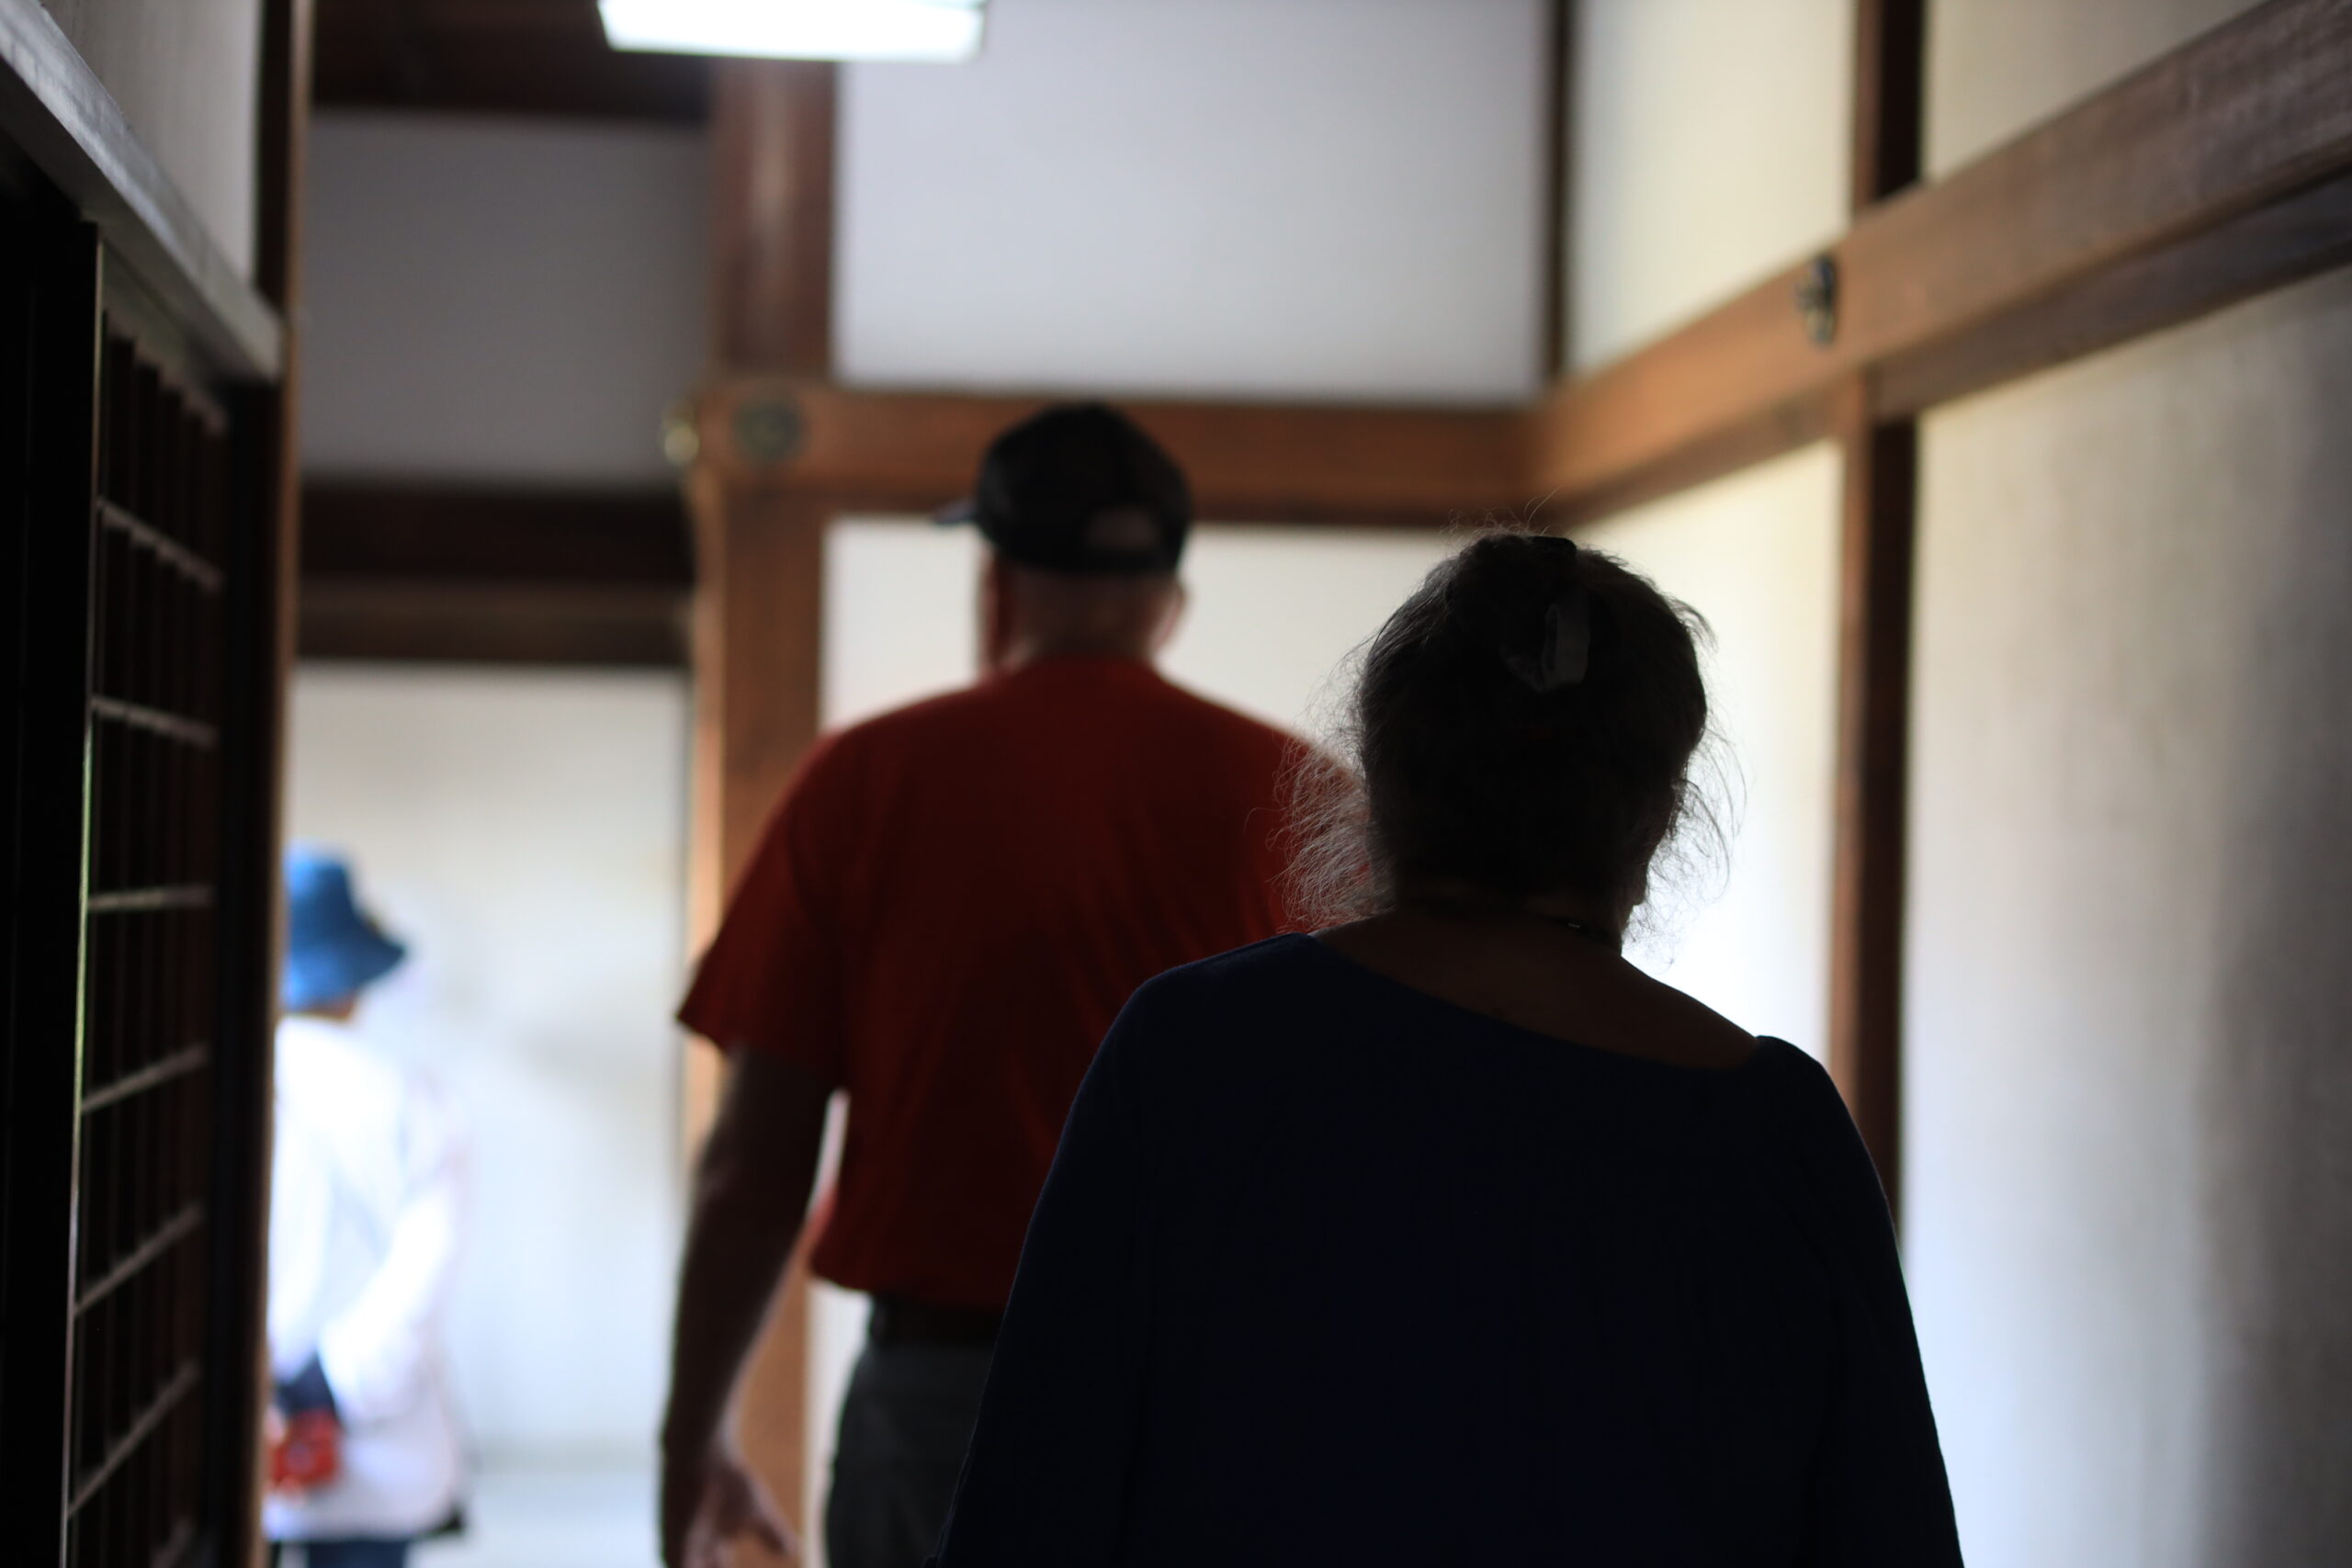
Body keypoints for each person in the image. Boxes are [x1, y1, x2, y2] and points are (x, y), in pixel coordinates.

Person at [930, 532, 1965, 1564]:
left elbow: (1032, 1501)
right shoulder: (1774, 1130)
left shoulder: (1197, 1050)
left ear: (1382, 784)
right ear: (1656, 814)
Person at [662, 402, 1306, 1568]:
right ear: (1171, 601)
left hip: (949, 1402)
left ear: (995, 584)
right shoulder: (1308, 800)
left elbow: (755, 1164)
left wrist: (690, 1440)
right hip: (1231, 1404)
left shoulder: (867, 781)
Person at [265, 849, 469, 1568]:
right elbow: (427, 1268)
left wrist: (269, 1391)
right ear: (355, 983)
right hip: (377, 1457)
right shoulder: (408, 1095)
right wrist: (330, 1383)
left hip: (247, 1443)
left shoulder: (217, 1093)